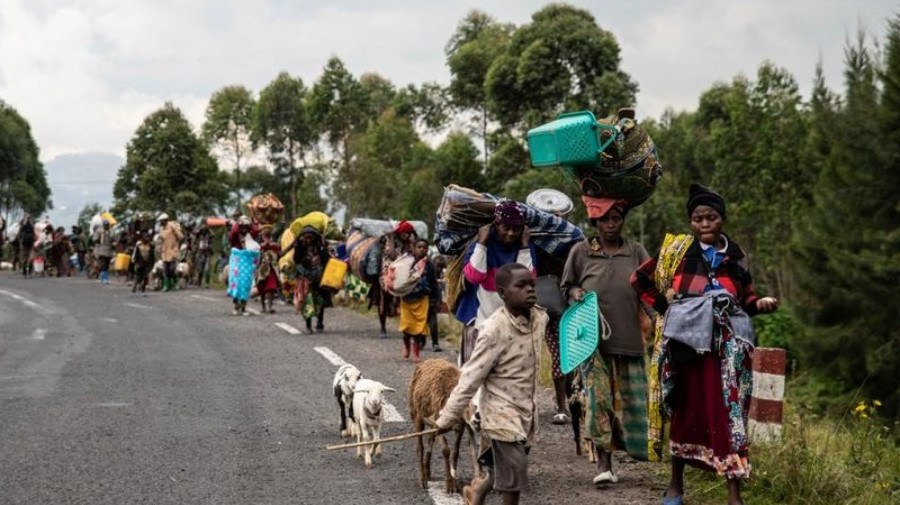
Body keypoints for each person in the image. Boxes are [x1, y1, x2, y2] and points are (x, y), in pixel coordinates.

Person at [631, 184, 779, 505]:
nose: (704, 224)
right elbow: (639, 279)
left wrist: (761, 303)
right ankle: (675, 485)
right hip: (687, 345)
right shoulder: (678, 252)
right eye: (698, 219)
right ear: (691, 222)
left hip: (727, 348)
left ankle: (733, 495)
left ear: (721, 219)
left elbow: (746, 297)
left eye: (711, 217)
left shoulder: (735, 254)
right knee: (684, 408)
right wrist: (667, 310)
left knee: (729, 413)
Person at [436, 263, 548, 505]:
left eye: (532, 284)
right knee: (515, 473)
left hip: (526, 410)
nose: (530, 289)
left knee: (501, 469)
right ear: (502, 293)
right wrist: (447, 417)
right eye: (521, 285)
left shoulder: (540, 318)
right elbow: (470, 377)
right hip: (500, 412)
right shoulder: (493, 330)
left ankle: (475, 492)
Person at [561, 197, 651, 486]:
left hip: (630, 341)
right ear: (595, 222)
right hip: (593, 344)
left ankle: (636, 452)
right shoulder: (582, 251)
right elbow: (567, 286)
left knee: (631, 404)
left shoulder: (635, 251)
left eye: (616, 218)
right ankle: (604, 463)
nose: (611, 224)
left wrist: (662, 318)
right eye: (604, 219)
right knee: (599, 401)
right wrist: (575, 293)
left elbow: (650, 292)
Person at [454, 200, 536, 364]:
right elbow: (474, 276)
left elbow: (527, 280)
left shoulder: (524, 247)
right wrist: (482, 243)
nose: (511, 233)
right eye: (506, 227)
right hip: (480, 321)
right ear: (496, 226)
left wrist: (525, 246)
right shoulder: (480, 245)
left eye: (516, 229)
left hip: (510, 325)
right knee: (473, 372)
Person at [283, 226, 332, 332]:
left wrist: (323, 247)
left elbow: (326, 259)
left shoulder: (320, 247)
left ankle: (320, 322)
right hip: (305, 278)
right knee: (307, 301)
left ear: (314, 238)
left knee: (320, 300)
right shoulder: (300, 247)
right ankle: (308, 326)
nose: (308, 240)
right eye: (306, 238)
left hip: (319, 278)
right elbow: (296, 260)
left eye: (310, 238)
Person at [398, 238, 439, 363]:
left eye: (424, 248)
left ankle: (416, 352)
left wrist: (436, 299)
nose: (422, 249)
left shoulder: (430, 265)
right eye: (419, 247)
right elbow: (399, 280)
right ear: (414, 248)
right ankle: (406, 346)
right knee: (406, 328)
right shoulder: (407, 263)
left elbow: (434, 284)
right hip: (406, 299)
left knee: (418, 329)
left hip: (422, 300)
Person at [228, 216, 259, 315]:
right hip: (237, 262)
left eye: (246, 227)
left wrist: (252, 221)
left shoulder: (251, 236)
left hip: (247, 264)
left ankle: (243, 308)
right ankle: (236, 306)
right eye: (242, 227)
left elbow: (256, 230)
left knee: (246, 284)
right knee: (237, 283)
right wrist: (238, 222)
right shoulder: (235, 237)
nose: (244, 230)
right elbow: (232, 234)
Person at [256, 227, 281, 314]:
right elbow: (258, 258)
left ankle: (270, 306)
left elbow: (280, 254)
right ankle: (263, 306)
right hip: (262, 270)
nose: (267, 238)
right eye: (265, 236)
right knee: (261, 289)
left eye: (268, 236)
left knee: (271, 288)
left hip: (272, 270)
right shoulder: (260, 246)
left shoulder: (275, 246)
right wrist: (256, 269)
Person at [157, 213, 184, 292]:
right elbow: (160, 239)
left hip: (173, 250)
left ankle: (176, 283)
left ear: (165, 220)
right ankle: (166, 285)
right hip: (165, 251)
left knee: (172, 269)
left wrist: (177, 244)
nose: (160, 223)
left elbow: (181, 237)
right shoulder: (162, 229)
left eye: (161, 221)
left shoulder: (172, 226)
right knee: (165, 269)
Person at [428, 254, 448, 352]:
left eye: (441, 267)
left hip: (433, 301)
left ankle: (435, 343)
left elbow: (439, 290)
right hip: (424, 300)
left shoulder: (440, 276)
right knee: (422, 322)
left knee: (433, 323)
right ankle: (421, 341)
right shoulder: (427, 273)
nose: (439, 268)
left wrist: (439, 302)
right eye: (437, 266)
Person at [131, 231, 155, 295]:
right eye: (145, 237)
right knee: (138, 275)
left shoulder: (150, 246)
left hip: (147, 263)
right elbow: (136, 254)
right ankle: (135, 284)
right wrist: (135, 262)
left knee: (145, 276)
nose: (146, 239)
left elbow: (152, 256)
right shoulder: (139, 246)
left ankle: (142, 286)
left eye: (147, 237)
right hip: (140, 262)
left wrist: (152, 264)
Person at [93, 220, 114, 284]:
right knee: (103, 265)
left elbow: (113, 240)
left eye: (107, 225)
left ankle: (105, 278)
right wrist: (99, 238)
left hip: (109, 250)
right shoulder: (99, 231)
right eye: (105, 225)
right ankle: (104, 278)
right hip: (101, 250)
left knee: (107, 265)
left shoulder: (110, 232)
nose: (107, 226)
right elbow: (95, 239)